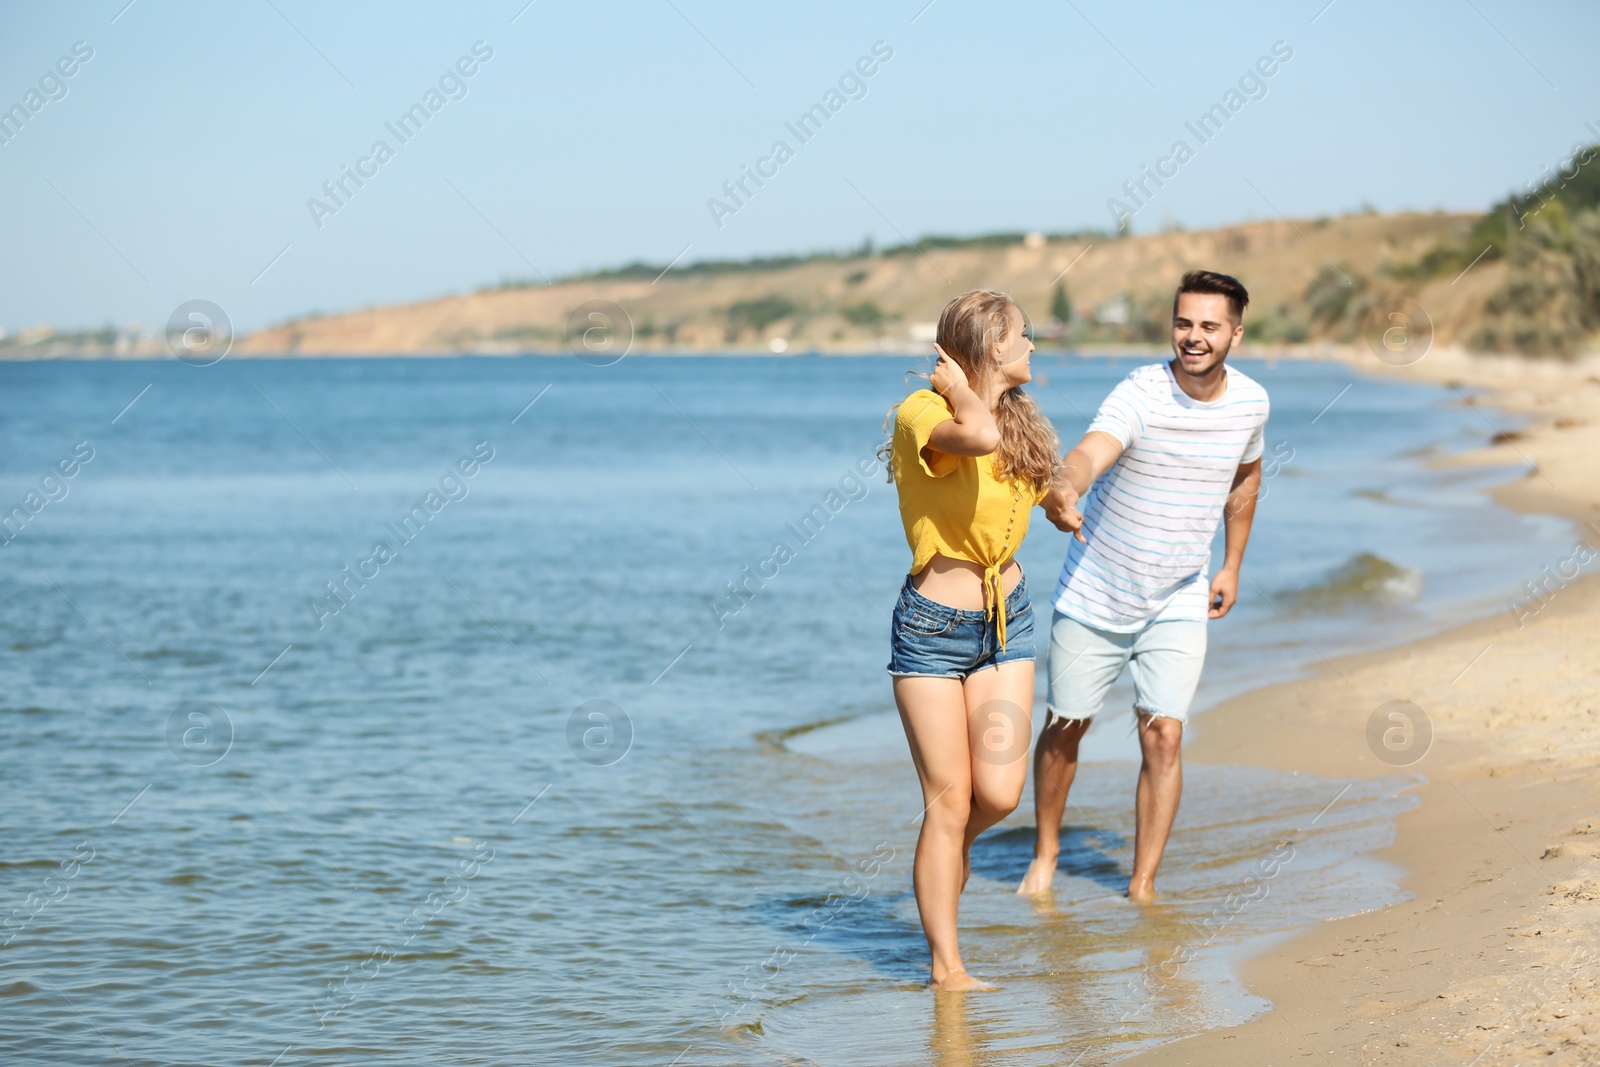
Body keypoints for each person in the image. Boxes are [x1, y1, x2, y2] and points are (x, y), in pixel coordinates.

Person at [1017, 270, 1268, 903]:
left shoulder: (1252, 404)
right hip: (1096, 589)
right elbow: (1091, 451)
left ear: (1236, 333)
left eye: (1209, 326)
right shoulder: (1141, 392)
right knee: (1067, 724)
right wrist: (1065, 486)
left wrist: (1232, 563)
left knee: (1165, 733)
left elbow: (1245, 480)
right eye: (1184, 323)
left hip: (1178, 595)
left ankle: (1142, 883)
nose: (1193, 337)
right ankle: (1046, 851)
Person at [883, 289, 1060, 991]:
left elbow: (1035, 489)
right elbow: (976, 440)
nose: (1033, 347)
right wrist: (959, 391)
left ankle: (942, 853)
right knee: (948, 801)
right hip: (931, 631)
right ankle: (947, 969)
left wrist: (1071, 506)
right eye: (1024, 336)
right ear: (990, 348)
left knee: (1000, 792)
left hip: (1006, 617)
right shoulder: (923, 413)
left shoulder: (1019, 419)